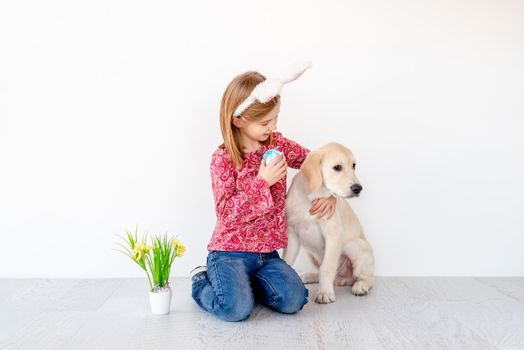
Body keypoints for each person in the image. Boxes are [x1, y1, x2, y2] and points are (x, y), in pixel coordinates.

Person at [191, 64, 337, 321]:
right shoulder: (223, 158)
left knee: (295, 299)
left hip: (266, 255)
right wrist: (262, 181)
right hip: (229, 253)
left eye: (275, 118)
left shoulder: (276, 144)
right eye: (264, 122)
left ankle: (248, 287)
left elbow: (314, 160)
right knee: (235, 310)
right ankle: (201, 281)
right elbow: (226, 214)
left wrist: (330, 192)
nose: (272, 127)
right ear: (238, 120)